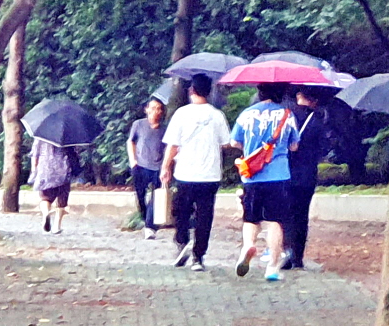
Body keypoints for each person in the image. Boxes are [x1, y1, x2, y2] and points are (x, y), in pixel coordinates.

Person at [161, 73, 231, 269]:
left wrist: (165, 166)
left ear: (191, 90)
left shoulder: (181, 114)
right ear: (209, 92)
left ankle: (182, 241)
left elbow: (173, 145)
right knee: (204, 216)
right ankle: (198, 257)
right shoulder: (217, 115)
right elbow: (226, 143)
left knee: (180, 211)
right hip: (210, 174)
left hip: (185, 173)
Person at [230, 81, 297, 282]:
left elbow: (234, 141)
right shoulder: (287, 115)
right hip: (279, 175)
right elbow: (294, 146)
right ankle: (273, 267)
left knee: (251, 218)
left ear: (260, 92)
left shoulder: (247, 114)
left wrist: (251, 149)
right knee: (275, 221)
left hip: (251, 175)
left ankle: (248, 245)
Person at [280, 84, 333, 270]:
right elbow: (324, 148)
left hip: (287, 172)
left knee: (286, 214)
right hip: (308, 174)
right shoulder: (318, 120)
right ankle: (298, 257)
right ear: (314, 100)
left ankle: (286, 251)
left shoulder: (287, 117)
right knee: (302, 216)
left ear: (299, 96)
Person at [127, 97, 166, 239]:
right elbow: (131, 142)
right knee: (140, 195)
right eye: (153, 108)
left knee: (156, 196)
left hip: (158, 166)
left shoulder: (165, 129)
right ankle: (144, 218)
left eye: (159, 108)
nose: (156, 111)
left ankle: (150, 227)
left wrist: (166, 167)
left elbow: (169, 147)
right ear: (147, 109)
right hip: (140, 165)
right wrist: (133, 161)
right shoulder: (138, 124)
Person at [31, 135, 75, 232]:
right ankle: (57, 227)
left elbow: (35, 153)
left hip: (45, 170)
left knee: (45, 198)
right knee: (62, 200)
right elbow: (72, 154)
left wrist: (34, 169)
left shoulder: (41, 135)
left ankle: (46, 213)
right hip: (63, 170)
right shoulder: (67, 135)